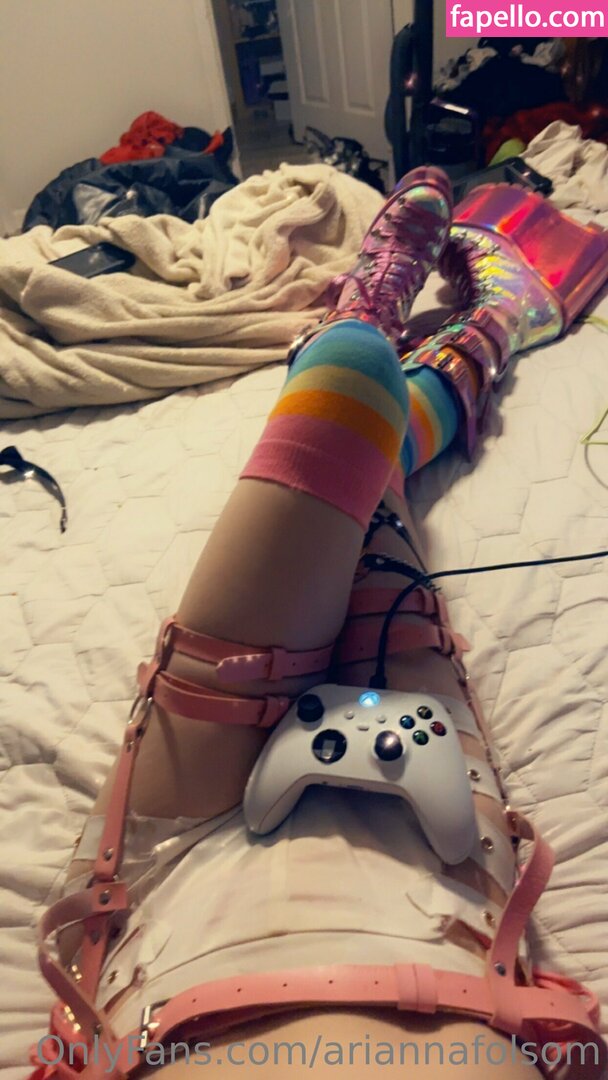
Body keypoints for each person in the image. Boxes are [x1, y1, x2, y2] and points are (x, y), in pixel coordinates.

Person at [33, 167, 608, 1080]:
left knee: (349, 394)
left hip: (172, 884)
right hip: (452, 912)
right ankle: (467, 350)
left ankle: (393, 333)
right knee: (376, 525)